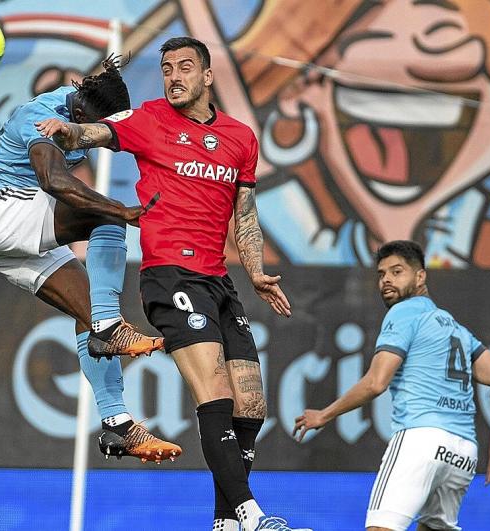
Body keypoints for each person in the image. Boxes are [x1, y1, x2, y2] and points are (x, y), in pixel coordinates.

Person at [37, 37, 311, 531]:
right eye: (166, 69)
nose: (174, 76)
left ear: (208, 76)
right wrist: (67, 131)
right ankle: (251, 517)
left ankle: (225, 522)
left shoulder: (240, 137)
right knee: (215, 390)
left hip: (219, 280)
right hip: (169, 276)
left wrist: (254, 271)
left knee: (251, 405)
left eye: (185, 67)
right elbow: (95, 133)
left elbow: (244, 212)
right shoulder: (149, 119)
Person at [0, 55, 181, 464]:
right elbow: (54, 181)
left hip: (7, 227)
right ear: (79, 111)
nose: (91, 136)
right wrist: (122, 210)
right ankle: (110, 326)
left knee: (91, 307)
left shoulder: (81, 107)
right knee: (104, 214)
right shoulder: (40, 118)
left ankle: (118, 426)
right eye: (89, 127)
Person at [293, 240, 490, 531]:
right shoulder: (456, 329)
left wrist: (324, 414)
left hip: (421, 440)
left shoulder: (403, 312)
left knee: (381, 527)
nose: (386, 279)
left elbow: (376, 383)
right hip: (462, 454)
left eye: (397, 271)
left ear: (420, 276)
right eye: (381, 273)